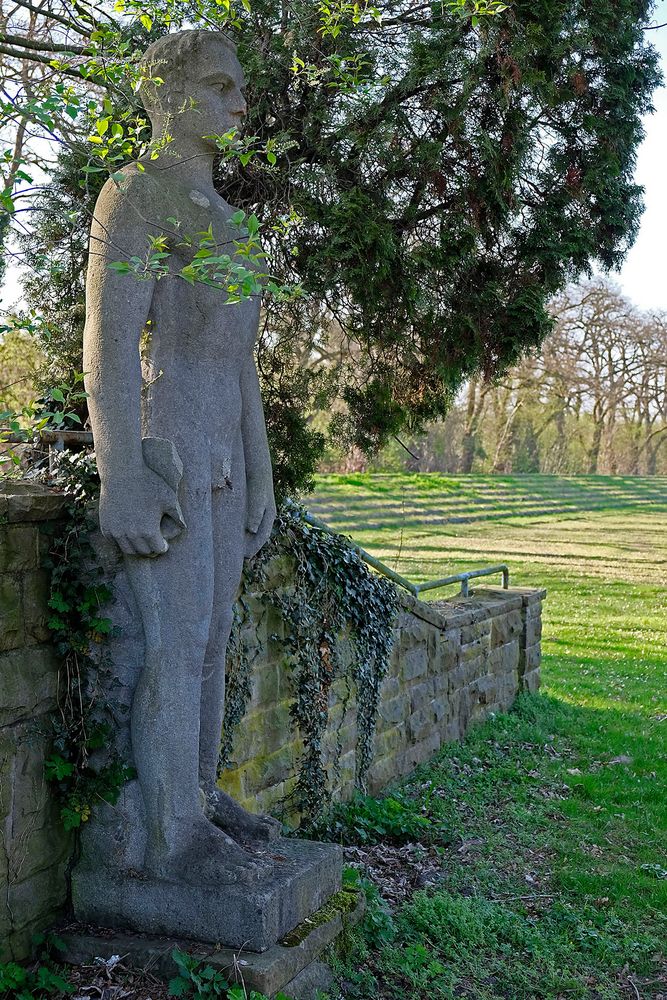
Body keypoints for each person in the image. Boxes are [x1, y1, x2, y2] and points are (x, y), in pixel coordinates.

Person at [82, 29, 279, 885]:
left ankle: (197, 793)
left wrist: (263, 474)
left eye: (239, 87)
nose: (239, 103)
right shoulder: (134, 195)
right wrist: (121, 469)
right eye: (218, 84)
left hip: (226, 456)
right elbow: (112, 342)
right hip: (166, 444)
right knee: (176, 636)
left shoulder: (234, 227)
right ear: (164, 93)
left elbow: (240, 363)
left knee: (216, 636)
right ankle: (172, 835)